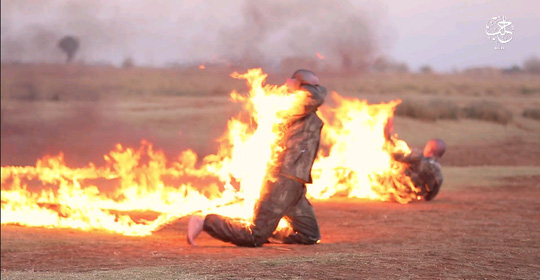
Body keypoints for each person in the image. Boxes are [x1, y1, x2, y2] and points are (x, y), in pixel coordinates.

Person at [187, 69, 327, 247]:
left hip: (294, 182)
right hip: (282, 179)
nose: (317, 89)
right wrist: (298, 86)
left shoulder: (302, 108)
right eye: (311, 85)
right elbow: (317, 96)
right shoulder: (294, 105)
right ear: (297, 86)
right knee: (254, 236)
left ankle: (268, 229)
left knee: (309, 235)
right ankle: (205, 221)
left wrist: (303, 85)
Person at [385, 118, 445, 201]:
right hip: (413, 195)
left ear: (429, 149)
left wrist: (387, 136)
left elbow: (397, 156)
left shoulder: (419, 160)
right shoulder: (438, 173)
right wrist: (425, 198)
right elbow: (432, 193)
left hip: (398, 192)